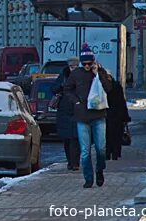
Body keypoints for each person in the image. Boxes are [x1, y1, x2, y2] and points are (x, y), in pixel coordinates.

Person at [64, 44, 114, 188]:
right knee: (85, 151)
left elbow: (109, 88)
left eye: (89, 63)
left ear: (93, 62)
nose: (87, 66)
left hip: (99, 114)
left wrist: (98, 72)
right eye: (84, 63)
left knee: (101, 148)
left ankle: (100, 170)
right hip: (82, 116)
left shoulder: (100, 72)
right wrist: (77, 102)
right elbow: (67, 89)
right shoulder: (76, 74)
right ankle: (88, 178)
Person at [52, 57, 80, 171]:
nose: (74, 69)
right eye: (72, 66)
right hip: (64, 111)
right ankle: (70, 162)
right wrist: (62, 86)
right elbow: (53, 89)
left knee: (76, 138)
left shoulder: (82, 76)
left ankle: (75, 163)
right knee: (67, 139)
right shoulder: (63, 76)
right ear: (68, 67)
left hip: (77, 109)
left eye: (76, 66)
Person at [105, 78, 131, 160]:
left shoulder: (103, 87)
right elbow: (122, 102)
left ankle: (108, 153)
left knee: (107, 136)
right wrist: (125, 117)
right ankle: (116, 153)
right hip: (117, 116)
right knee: (117, 135)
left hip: (107, 115)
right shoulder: (117, 86)